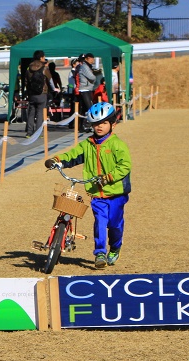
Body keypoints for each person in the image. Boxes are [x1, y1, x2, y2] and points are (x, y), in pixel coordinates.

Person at [44, 102, 131, 269]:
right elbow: (73, 154)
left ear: (113, 124)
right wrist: (57, 160)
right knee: (100, 221)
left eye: (104, 123)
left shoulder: (117, 144)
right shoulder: (87, 144)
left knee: (115, 225)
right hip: (96, 194)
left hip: (116, 193)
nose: (99, 127)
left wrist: (109, 177)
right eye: (96, 123)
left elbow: (125, 165)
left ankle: (115, 247)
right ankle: (99, 253)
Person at [24, 50, 53, 137]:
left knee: (31, 112)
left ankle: (29, 132)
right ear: (41, 58)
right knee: (40, 112)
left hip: (32, 94)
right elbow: (50, 81)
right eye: (44, 57)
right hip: (42, 93)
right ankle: (38, 132)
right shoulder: (44, 68)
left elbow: (25, 81)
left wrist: (29, 90)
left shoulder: (29, 68)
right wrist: (53, 89)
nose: (44, 58)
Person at [77, 52, 97, 133]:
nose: (92, 60)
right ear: (86, 59)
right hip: (85, 89)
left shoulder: (87, 66)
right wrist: (95, 76)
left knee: (84, 109)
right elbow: (92, 77)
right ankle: (87, 125)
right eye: (91, 58)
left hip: (87, 89)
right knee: (89, 108)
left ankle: (82, 126)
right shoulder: (85, 67)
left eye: (93, 58)